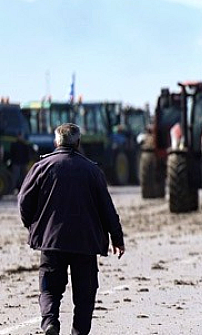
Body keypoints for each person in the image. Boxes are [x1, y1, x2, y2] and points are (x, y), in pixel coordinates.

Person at [18, 123, 125, 335]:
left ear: (56, 142)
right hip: (85, 242)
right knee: (85, 295)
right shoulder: (92, 170)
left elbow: (23, 200)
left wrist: (34, 226)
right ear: (78, 143)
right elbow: (107, 208)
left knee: (49, 288)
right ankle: (78, 332)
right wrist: (117, 238)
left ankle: (50, 322)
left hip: (51, 241)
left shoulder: (42, 167)